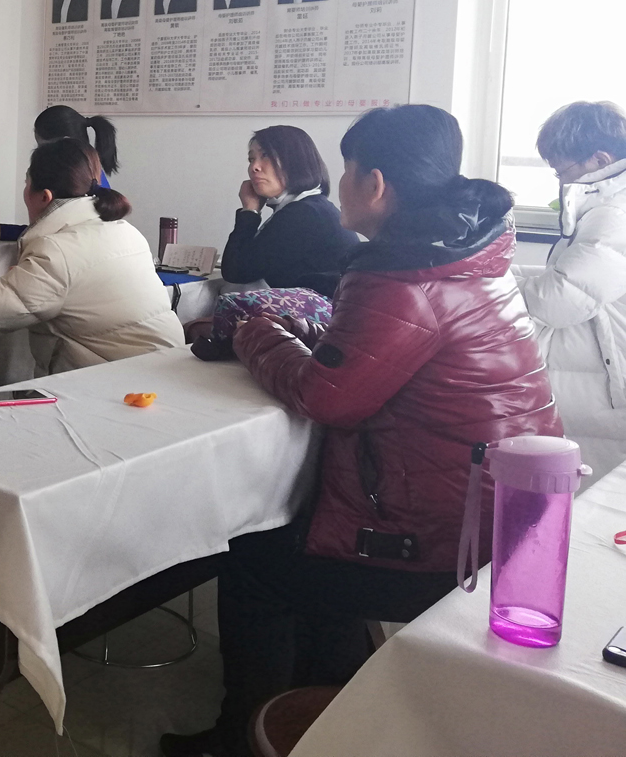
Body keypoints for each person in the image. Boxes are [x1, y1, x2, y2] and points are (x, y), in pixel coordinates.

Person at [161, 104, 560, 757]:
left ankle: (242, 737)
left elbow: (325, 397)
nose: (339, 183)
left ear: (374, 184)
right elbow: (381, 352)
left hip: (444, 539)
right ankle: (333, 705)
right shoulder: (470, 253)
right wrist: (306, 333)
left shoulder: (399, 274)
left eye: (346, 170)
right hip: (505, 519)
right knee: (306, 545)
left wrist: (255, 330)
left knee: (254, 558)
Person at [0, 139, 182, 373]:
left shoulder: (55, 251)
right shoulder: (126, 230)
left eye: (26, 183)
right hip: (168, 368)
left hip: (117, 381)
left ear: (45, 196)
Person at [517, 101, 626, 485]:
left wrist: (492, 287)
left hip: (605, 379)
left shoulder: (615, 214)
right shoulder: (606, 207)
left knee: (590, 496)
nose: (560, 182)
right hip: (593, 370)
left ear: (600, 160)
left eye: (562, 170)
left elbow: (560, 300)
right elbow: (572, 277)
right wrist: (506, 274)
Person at [220, 126, 360, 296]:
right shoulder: (310, 207)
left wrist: (250, 211)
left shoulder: (305, 214)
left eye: (266, 155)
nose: (254, 167)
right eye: (251, 159)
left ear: (296, 161)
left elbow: (236, 271)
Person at [0, 104, 118, 240]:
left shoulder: (66, 181)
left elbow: (51, 236)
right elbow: (49, 230)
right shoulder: (93, 177)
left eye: (41, 146)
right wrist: (2, 230)